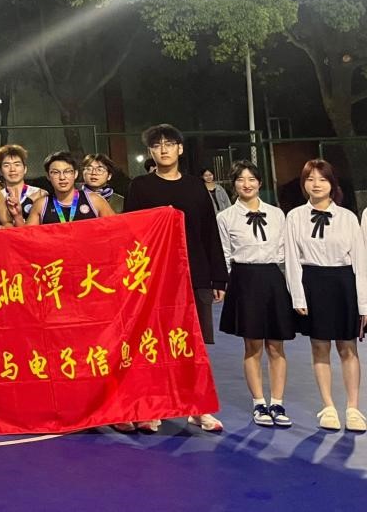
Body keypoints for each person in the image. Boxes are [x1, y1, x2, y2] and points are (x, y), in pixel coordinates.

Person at [124, 124, 228, 433]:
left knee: (194, 344)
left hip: (194, 274)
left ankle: (198, 408)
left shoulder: (196, 186)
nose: (164, 149)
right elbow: (130, 232)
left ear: (180, 149)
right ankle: (153, 407)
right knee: (153, 344)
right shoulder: (140, 186)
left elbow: (209, 232)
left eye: (169, 144)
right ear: (151, 152)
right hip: (154, 278)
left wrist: (217, 277)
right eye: (157, 145)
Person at [284, 159, 367, 432]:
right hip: (312, 283)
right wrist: (298, 296)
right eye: (310, 179)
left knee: (348, 347)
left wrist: (364, 304)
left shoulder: (348, 218)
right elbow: (292, 259)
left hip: (344, 283)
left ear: (332, 183)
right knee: (319, 347)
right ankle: (328, 406)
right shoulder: (294, 217)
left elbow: (361, 262)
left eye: (322, 179)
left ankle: (353, 408)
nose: (316, 184)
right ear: (303, 184)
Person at [216, 160, 295, 428]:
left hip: (273, 278)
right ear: (234, 184)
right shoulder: (225, 217)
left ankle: (278, 402)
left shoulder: (277, 214)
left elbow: (285, 252)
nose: (246, 184)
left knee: (276, 345)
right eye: (241, 179)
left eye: (251, 179)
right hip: (244, 280)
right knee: (252, 345)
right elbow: (225, 254)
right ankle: (259, 402)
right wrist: (225, 284)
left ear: (260, 183)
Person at [26, 152, 114, 224]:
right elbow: (27, 236)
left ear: (75, 174)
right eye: (56, 172)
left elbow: (116, 229)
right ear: (48, 176)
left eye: (67, 172)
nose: (62, 177)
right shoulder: (40, 205)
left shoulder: (95, 201)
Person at [0, 143, 45, 225]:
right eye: (6, 165)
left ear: (25, 169)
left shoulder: (40, 194)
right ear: (0, 171)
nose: (12, 169)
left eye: (17, 164)